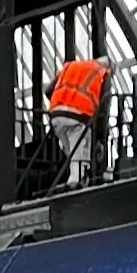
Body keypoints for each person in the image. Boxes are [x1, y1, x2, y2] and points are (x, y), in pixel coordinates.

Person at [46, 57, 110, 186]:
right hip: (78, 116)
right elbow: (104, 108)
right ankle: (77, 183)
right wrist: (100, 136)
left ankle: (74, 179)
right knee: (80, 154)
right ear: (108, 68)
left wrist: (62, 102)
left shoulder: (70, 67)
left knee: (72, 151)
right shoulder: (101, 72)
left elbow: (48, 90)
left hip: (57, 115)